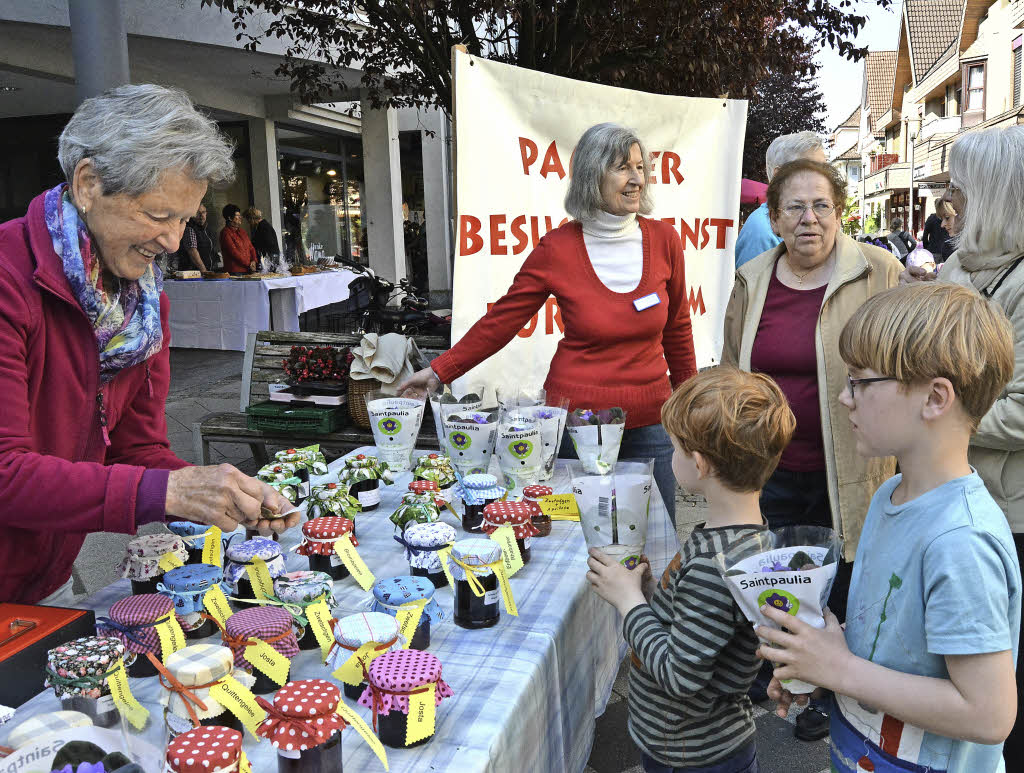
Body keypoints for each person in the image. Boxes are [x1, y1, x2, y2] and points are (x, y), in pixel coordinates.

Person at [0, 84, 299, 606]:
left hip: (45, 580)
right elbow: (5, 472)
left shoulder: (142, 304)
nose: (172, 242)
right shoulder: (8, 280)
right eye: (159, 216)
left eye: (185, 219)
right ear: (88, 183)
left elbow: (137, 449)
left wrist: (218, 490)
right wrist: (172, 493)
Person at [761, 283, 1020, 773]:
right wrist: (820, 668)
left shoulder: (960, 542)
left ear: (935, 398)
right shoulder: (888, 495)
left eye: (859, 381)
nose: (843, 397)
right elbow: (879, 649)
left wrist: (841, 669)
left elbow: (989, 714)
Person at [398, 123, 697, 524]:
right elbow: (502, 321)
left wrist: (692, 404)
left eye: (641, 167)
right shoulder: (557, 248)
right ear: (593, 174)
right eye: (623, 168)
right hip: (576, 424)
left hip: (651, 421)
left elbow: (678, 330)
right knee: (577, 539)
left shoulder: (665, 240)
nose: (637, 179)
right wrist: (439, 371)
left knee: (654, 535)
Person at [722, 158, 902, 739]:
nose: (809, 219)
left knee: (842, 579)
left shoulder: (878, 272)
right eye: (794, 207)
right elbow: (732, 372)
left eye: (821, 205)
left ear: (839, 212)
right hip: (769, 465)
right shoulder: (751, 279)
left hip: (849, 464)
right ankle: (778, 678)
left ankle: (827, 692)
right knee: (771, 578)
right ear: (773, 218)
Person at [586, 366, 795, 773]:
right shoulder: (748, 540)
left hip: (691, 753)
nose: (672, 455)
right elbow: (700, 630)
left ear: (698, 465)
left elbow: (681, 676)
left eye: (676, 447)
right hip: (706, 746)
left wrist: (629, 603)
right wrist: (650, 596)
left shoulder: (713, 565)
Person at [927, 125, 1024, 762]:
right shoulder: (959, 266)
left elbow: (1020, 411)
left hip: (1010, 515)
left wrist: (936, 413)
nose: (948, 201)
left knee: (1002, 686)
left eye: (960, 187)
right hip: (950, 495)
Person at [734, 131, 826, 267]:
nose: (824, 177)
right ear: (779, 176)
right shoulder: (761, 230)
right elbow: (753, 287)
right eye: (810, 169)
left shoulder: (817, 217)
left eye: (825, 169)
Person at [175, 203, 216, 272]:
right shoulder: (189, 228)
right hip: (192, 273)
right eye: (197, 213)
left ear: (206, 213)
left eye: (203, 212)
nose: (201, 215)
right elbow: (192, 251)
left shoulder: (206, 229)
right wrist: (204, 271)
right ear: (192, 215)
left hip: (206, 272)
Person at [220, 203, 259, 274]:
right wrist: (249, 264)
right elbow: (234, 253)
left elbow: (251, 248)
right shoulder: (225, 233)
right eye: (237, 215)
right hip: (235, 272)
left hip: (248, 270)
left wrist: (253, 261)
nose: (240, 217)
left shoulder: (242, 231)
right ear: (229, 218)